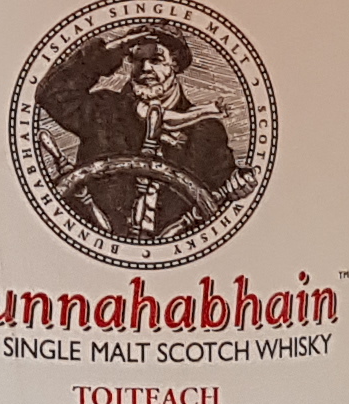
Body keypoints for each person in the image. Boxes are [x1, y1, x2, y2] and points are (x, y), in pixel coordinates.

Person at [31, 24, 242, 244]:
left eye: (156, 60)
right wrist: (112, 51)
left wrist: (237, 187)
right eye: (137, 59)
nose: (145, 68)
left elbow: (220, 207)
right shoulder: (104, 110)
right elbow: (51, 94)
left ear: (175, 64)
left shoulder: (206, 131)